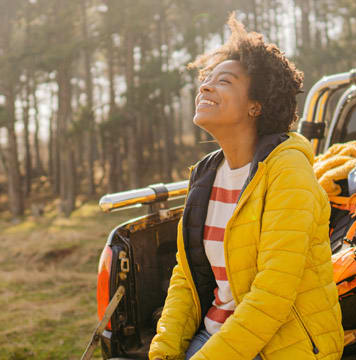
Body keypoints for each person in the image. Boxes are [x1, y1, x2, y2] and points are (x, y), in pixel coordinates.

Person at [147, 14, 343, 360]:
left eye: (223, 82)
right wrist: (163, 352)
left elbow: (273, 294)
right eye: (206, 79)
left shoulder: (287, 170)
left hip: (282, 347)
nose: (205, 87)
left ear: (256, 105)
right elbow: (186, 278)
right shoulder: (205, 175)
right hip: (216, 338)